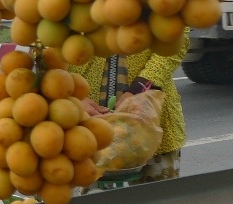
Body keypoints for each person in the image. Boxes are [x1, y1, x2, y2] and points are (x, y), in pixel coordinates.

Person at [73, 32, 190, 182]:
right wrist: (73, 96)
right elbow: (47, 53)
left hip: (150, 125)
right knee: (93, 203)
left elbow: (176, 38)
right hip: (86, 131)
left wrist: (141, 87)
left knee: (156, 201)